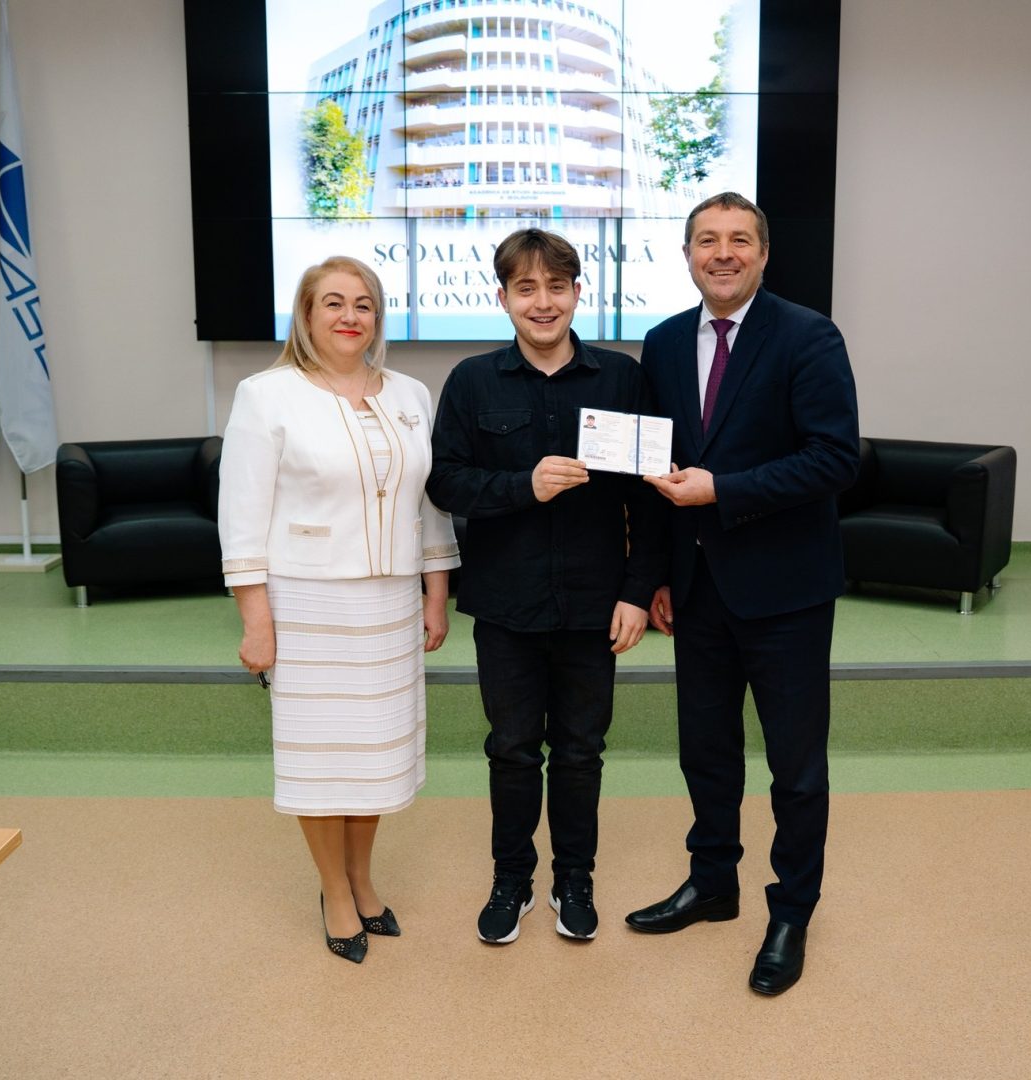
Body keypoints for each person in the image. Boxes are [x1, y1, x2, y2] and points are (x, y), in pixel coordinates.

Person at [627, 192, 859, 996]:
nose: (721, 253)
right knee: (706, 753)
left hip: (786, 592)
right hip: (696, 590)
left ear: (762, 254)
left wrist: (722, 489)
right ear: (686, 254)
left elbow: (834, 457)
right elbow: (655, 469)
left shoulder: (807, 335)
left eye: (737, 240)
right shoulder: (661, 343)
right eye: (705, 240)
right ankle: (712, 883)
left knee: (794, 768)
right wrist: (659, 573)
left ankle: (790, 911)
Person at [218, 255, 460, 965]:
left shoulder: (410, 393)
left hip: (389, 604)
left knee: (374, 753)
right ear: (305, 314)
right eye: (333, 302)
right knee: (321, 757)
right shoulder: (266, 395)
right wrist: (256, 620)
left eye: (363, 304)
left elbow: (429, 502)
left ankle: (362, 877)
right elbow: (241, 516)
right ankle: (333, 889)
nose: (349, 316)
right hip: (306, 601)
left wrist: (436, 592)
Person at [427, 228, 666, 945]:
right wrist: (520, 486)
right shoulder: (472, 380)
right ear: (502, 297)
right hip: (506, 604)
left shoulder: (620, 378)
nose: (542, 302)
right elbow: (445, 482)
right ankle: (512, 880)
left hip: (596, 603)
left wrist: (637, 590)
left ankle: (574, 880)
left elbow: (650, 496)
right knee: (510, 748)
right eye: (526, 288)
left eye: (556, 287)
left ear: (577, 293)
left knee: (581, 750)